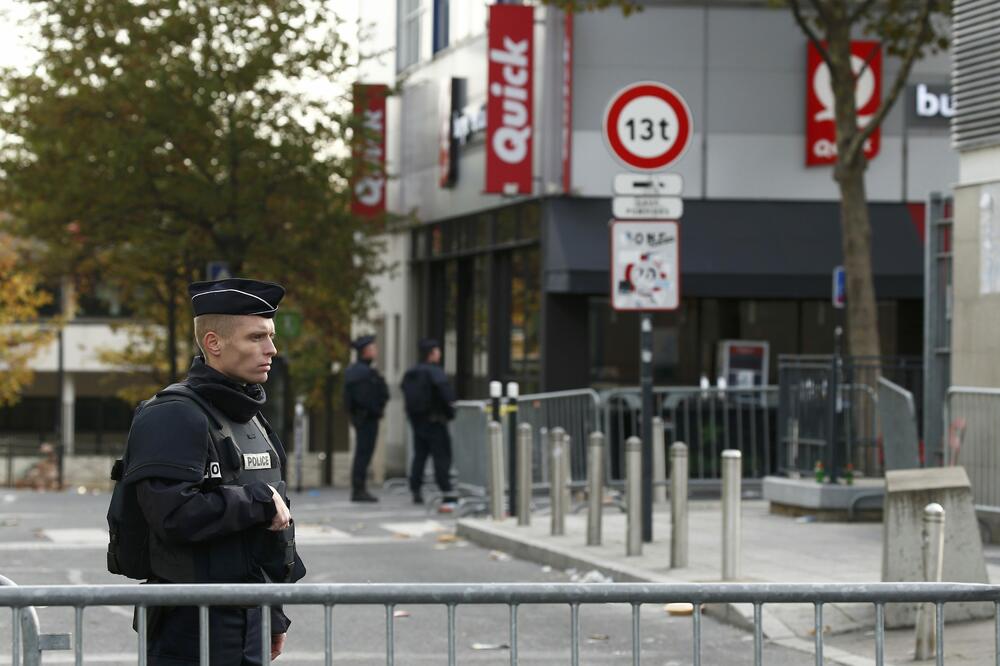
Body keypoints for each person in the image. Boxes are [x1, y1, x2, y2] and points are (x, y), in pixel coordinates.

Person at [120, 277, 305, 665]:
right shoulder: (173, 415)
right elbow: (172, 513)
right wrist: (256, 501)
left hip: (248, 617)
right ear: (213, 344)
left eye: (269, 336)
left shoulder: (251, 420)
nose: (271, 349)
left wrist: (273, 612)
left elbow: (270, 528)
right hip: (190, 624)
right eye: (256, 337)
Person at [402, 338, 457, 511]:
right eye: (437, 351)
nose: (439, 354)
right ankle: (446, 489)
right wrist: (450, 412)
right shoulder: (435, 372)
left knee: (420, 456)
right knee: (441, 456)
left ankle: (416, 489)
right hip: (435, 421)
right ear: (431, 354)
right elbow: (446, 394)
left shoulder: (411, 373)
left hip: (418, 421)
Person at [342, 334, 389, 503]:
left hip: (364, 418)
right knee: (363, 454)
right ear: (365, 351)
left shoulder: (361, 371)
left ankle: (360, 489)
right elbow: (365, 398)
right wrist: (375, 409)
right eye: (373, 348)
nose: (376, 350)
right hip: (366, 419)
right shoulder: (362, 372)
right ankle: (359, 489)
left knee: (363, 454)